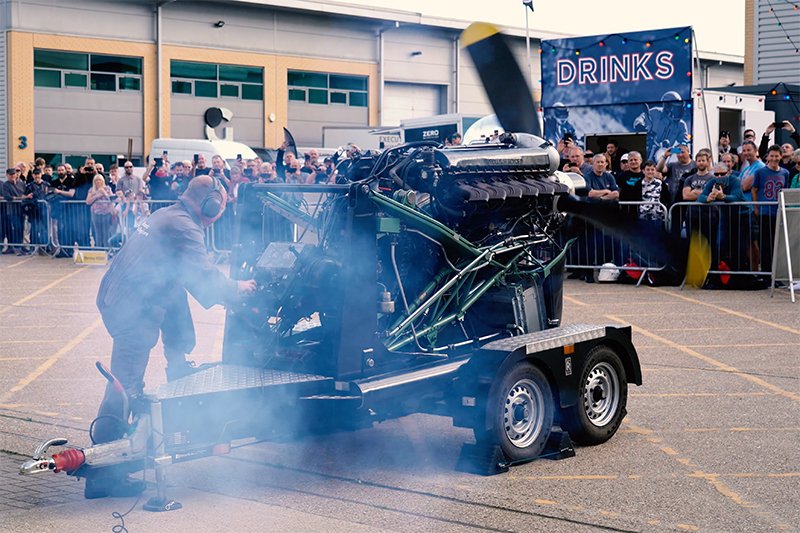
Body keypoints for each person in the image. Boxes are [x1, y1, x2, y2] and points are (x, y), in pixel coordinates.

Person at [92, 176, 257, 448]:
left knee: (173, 290)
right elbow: (203, 275)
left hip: (120, 297)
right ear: (211, 205)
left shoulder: (167, 214)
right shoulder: (184, 226)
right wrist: (237, 288)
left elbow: (180, 280)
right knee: (124, 385)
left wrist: (179, 346)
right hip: (131, 310)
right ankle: (106, 462)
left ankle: (178, 362)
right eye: (222, 206)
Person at [751, 145, 789, 275]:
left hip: (778, 212)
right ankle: (767, 273)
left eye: (776, 156)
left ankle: (777, 274)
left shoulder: (785, 173)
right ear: (767, 157)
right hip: (765, 212)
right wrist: (756, 207)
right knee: (766, 245)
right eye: (771, 156)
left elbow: (786, 191)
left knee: (778, 244)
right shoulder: (760, 172)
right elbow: (754, 190)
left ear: (781, 156)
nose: (774, 158)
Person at [633, 91, 691, 162]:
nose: (678, 112)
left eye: (679, 108)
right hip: (648, 149)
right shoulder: (655, 112)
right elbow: (642, 118)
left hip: (664, 157)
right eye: (675, 108)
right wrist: (639, 125)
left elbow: (684, 143)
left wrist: (673, 150)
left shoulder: (681, 125)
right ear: (667, 106)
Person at [86, 175, 115, 248]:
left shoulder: (107, 188)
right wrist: (97, 195)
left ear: (103, 181)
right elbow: (88, 201)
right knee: (98, 232)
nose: (98, 182)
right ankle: (99, 249)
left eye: (100, 180)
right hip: (96, 213)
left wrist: (104, 193)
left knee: (106, 232)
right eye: (96, 180)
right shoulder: (91, 190)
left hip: (106, 212)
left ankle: (107, 248)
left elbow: (111, 199)